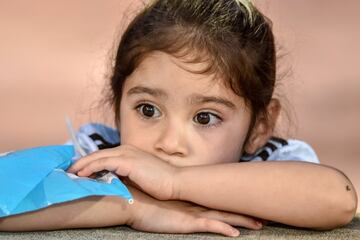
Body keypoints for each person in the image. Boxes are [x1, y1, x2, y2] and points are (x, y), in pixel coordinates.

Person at [0, 0, 357, 237]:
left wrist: (175, 183)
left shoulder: (269, 164)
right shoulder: (101, 154)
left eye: (205, 117)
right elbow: (8, 199)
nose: (168, 143)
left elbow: (338, 200)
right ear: (117, 102)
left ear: (259, 128)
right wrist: (134, 208)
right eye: (147, 110)